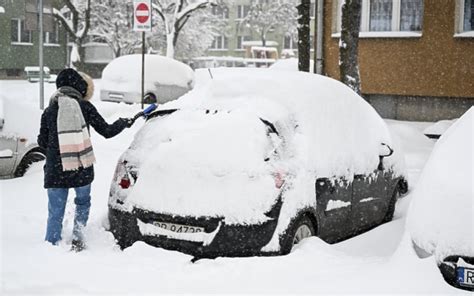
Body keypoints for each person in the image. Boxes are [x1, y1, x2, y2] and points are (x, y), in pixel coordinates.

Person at [37, 68, 136, 251]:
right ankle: (78, 238)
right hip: (81, 166)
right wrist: (123, 122)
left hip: (56, 170)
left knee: (55, 211)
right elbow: (107, 131)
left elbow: (41, 142)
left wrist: (58, 148)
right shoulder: (84, 107)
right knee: (82, 202)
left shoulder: (50, 110)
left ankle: (51, 245)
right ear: (78, 87)